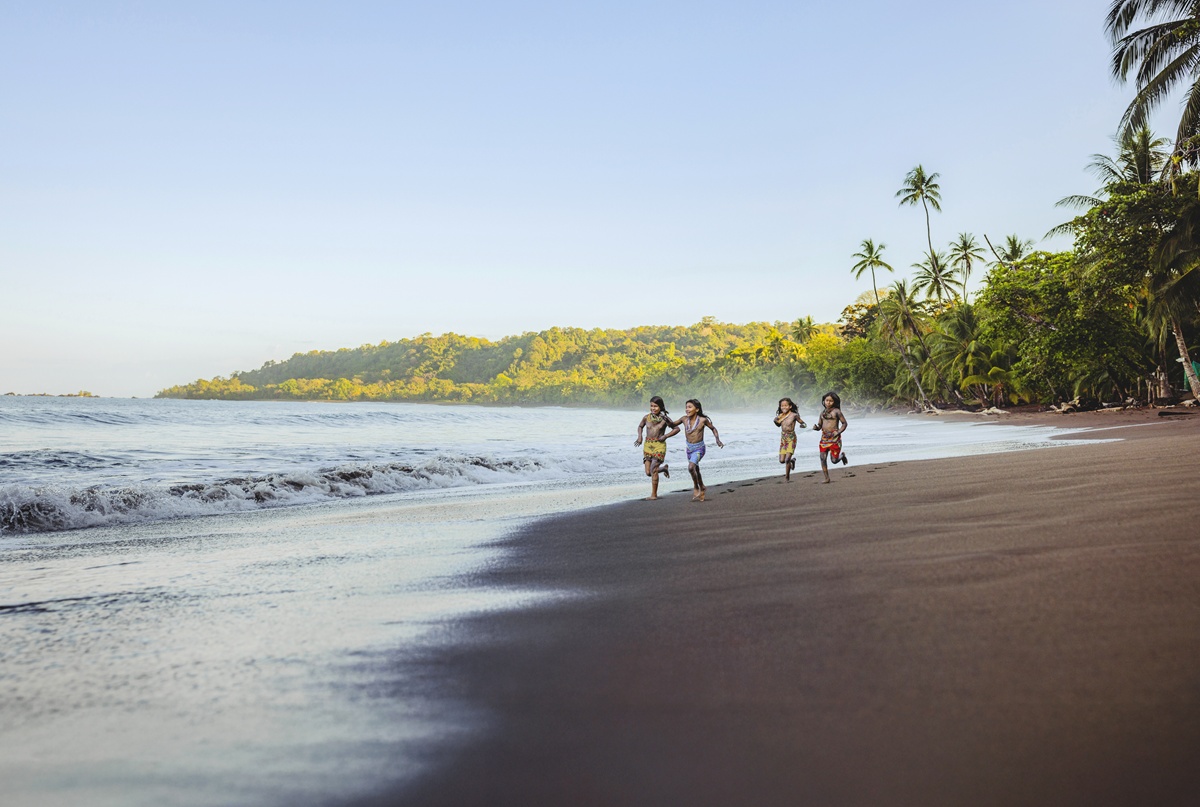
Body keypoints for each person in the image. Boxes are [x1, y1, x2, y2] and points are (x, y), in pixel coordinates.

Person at [671, 399, 723, 501]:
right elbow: (672, 425)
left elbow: (713, 428)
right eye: (686, 407)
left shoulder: (703, 420)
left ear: (697, 409)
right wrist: (664, 417)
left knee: (691, 468)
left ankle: (695, 487)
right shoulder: (684, 419)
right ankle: (702, 487)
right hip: (689, 448)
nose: (687, 409)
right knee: (696, 469)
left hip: (699, 448)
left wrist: (717, 439)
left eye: (690, 407)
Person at [634, 396, 680, 500]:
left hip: (659, 445)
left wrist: (665, 436)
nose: (653, 408)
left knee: (653, 469)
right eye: (651, 406)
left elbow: (676, 428)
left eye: (655, 406)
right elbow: (640, 426)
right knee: (648, 472)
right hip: (647, 445)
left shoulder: (665, 419)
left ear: (661, 407)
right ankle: (664, 468)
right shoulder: (646, 417)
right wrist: (640, 437)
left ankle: (654, 495)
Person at [813, 391, 848, 483]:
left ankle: (842, 456)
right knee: (822, 458)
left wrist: (839, 431)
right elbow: (820, 425)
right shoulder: (822, 413)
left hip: (834, 438)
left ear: (834, 402)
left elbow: (844, 423)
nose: (828, 402)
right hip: (824, 438)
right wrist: (816, 428)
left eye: (831, 401)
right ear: (824, 401)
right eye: (826, 400)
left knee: (834, 460)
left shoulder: (837, 412)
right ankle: (826, 478)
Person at [773, 397, 806, 482]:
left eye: (786, 405)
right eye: (782, 406)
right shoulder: (780, 416)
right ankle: (792, 460)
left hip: (791, 438)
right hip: (783, 439)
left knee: (786, 459)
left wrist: (802, 425)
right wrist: (775, 421)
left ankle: (787, 478)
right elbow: (778, 425)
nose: (784, 407)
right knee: (782, 460)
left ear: (790, 406)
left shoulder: (794, 415)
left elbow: (804, 423)